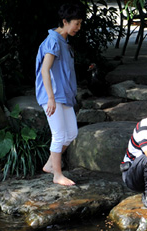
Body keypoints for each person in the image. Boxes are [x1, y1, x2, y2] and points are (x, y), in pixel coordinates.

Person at [35, 2, 85, 186]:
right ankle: (57, 175)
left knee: (71, 133)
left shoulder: (64, 42)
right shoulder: (53, 41)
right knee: (59, 135)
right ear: (65, 21)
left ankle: (50, 164)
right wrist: (50, 98)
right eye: (76, 23)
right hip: (53, 96)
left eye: (80, 23)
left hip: (64, 95)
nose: (78, 28)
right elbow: (44, 70)